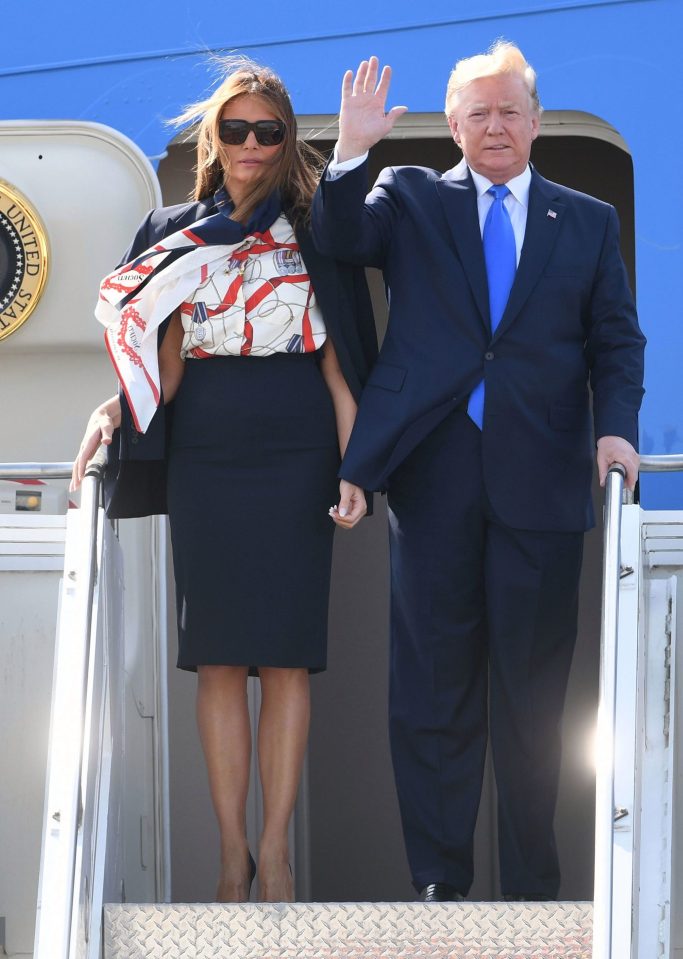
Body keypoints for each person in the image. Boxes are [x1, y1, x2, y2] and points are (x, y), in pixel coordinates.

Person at [312, 43, 645, 901]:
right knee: (432, 693)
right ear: (452, 124)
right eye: (478, 113)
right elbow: (340, 239)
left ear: (535, 121)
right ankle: (438, 883)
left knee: (534, 703)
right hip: (434, 478)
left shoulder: (589, 219)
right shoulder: (409, 196)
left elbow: (615, 341)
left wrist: (614, 432)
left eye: (509, 111)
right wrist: (349, 152)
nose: (494, 127)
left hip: (541, 479)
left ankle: (533, 888)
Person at [71, 57, 377, 904]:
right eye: (234, 129)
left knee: (283, 659)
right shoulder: (174, 230)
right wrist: (109, 413)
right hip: (207, 445)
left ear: (285, 141)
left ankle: (276, 854)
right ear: (215, 137)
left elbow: (337, 364)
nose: (249, 144)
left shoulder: (316, 231)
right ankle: (230, 855)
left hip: (297, 444)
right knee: (214, 659)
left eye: (267, 130)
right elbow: (158, 370)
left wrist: (360, 469)